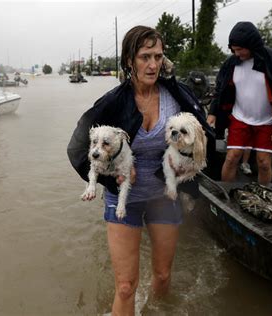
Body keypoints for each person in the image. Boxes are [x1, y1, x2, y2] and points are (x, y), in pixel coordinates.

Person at [67, 25, 214, 315]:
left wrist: (192, 162)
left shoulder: (176, 96)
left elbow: (203, 136)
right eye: (145, 56)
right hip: (124, 197)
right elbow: (77, 149)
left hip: (164, 196)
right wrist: (110, 176)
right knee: (125, 286)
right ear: (130, 60)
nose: (153, 64)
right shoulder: (112, 102)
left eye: (158, 57)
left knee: (162, 276)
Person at [207, 21, 272, 185]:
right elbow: (220, 89)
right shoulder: (231, 63)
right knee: (232, 157)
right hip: (239, 117)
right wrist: (213, 112)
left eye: (240, 49)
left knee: (263, 163)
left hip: (267, 121)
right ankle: (225, 193)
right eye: (233, 50)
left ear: (252, 45)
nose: (236, 54)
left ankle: (263, 197)